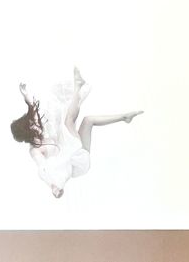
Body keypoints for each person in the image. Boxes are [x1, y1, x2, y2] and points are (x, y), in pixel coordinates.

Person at [10, 67, 143, 198]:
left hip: (79, 152)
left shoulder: (37, 131)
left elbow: (33, 109)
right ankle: (77, 86)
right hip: (74, 161)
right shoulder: (35, 150)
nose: (35, 124)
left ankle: (124, 117)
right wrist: (53, 187)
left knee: (88, 120)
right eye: (31, 126)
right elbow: (43, 169)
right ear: (27, 133)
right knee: (68, 121)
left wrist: (25, 95)